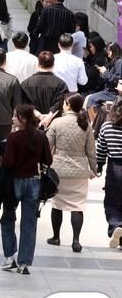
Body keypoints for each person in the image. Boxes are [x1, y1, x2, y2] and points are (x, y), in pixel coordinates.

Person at [0, 103, 50, 275]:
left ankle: (9, 257)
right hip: (34, 182)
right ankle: (25, 263)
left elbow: (8, 162)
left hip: (15, 182)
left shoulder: (13, 138)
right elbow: (48, 160)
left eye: (15, 116)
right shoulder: (41, 136)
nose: (13, 118)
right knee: (29, 223)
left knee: (8, 219)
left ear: (22, 118)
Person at [45, 94, 96, 254]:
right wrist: (94, 169)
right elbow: (91, 150)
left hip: (59, 169)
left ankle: (56, 236)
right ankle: (76, 240)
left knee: (57, 204)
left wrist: (44, 165)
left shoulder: (57, 122)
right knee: (77, 205)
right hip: (79, 169)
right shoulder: (85, 124)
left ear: (67, 104)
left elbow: (47, 145)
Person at [96, 103, 122, 249]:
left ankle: (116, 225)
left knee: (112, 202)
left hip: (115, 168)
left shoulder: (107, 127)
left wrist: (99, 165)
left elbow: (101, 148)